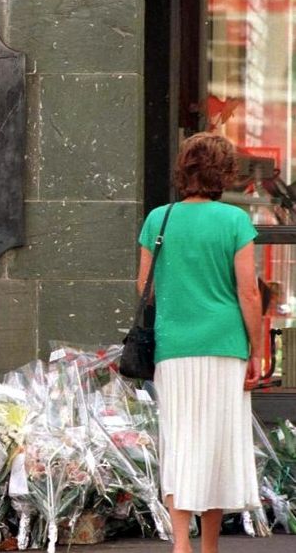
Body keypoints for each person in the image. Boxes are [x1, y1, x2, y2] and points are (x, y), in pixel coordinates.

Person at [137, 132, 262, 553]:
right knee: (217, 442)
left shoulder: (160, 219)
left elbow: (145, 289)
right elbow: (248, 293)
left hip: (173, 346)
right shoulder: (235, 222)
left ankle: (179, 543)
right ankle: (209, 545)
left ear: (184, 169)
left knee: (180, 440)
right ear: (224, 172)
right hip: (226, 343)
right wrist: (256, 350)